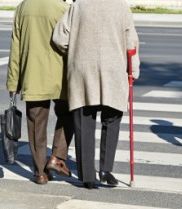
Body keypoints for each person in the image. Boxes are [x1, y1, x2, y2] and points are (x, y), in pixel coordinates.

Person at [52, 0, 140, 189]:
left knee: (84, 120)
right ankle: (106, 169)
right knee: (112, 118)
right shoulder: (121, 6)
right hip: (113, 69)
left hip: (83, 69)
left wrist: (76, 50)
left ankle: (87, 176)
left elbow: (59, 38)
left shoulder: (79, 5)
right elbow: (131, 43)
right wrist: (134, 71)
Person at [6, 0, 74, 185]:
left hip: (33, 74)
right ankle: (57, 158)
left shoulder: (23, 7)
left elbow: (16, 48)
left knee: (36, 123)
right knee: (67, 114)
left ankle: (40, 173)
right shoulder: (64, 8)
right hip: (60, 75)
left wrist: (13, 82)